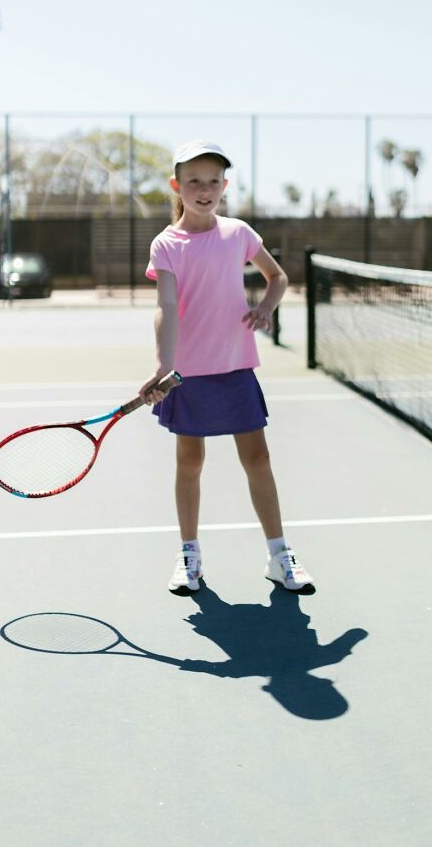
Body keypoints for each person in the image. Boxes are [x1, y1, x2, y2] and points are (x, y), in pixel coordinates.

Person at [139, 139, 315, 597]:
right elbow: (166, 308)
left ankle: (279, 556)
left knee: (257, 459)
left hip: (237, 366)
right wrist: (164, 364)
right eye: (194, 180)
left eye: (213, 181)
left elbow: (277, 276)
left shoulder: (238, 233)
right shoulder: (166, 244)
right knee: (190, 462)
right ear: (177, 186)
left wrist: (266, 308)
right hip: (188, 375)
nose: (204, 189)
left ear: (225, 186)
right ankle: (189, 557)